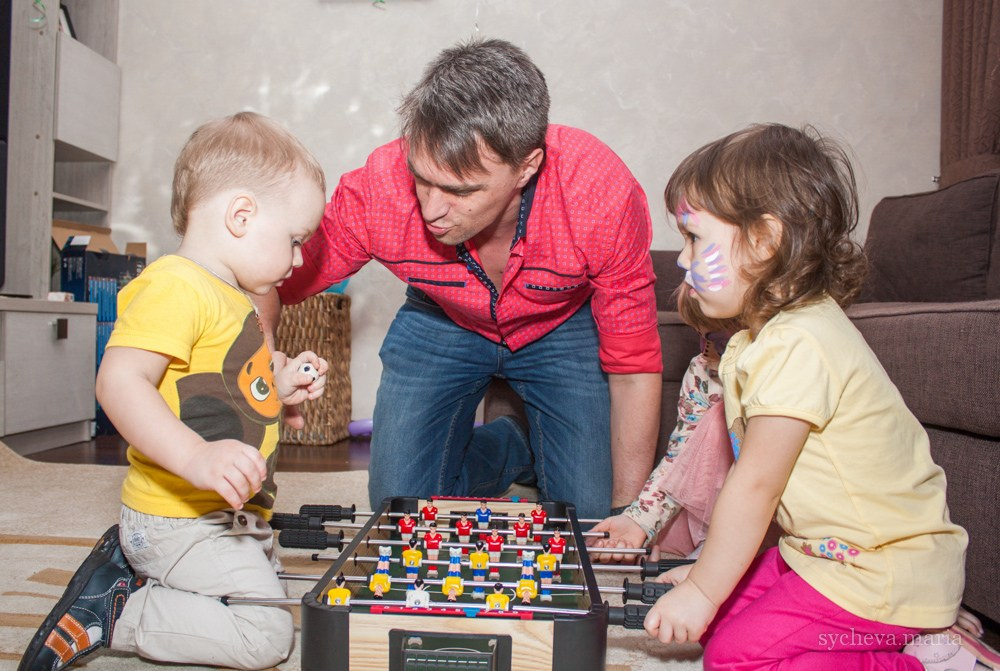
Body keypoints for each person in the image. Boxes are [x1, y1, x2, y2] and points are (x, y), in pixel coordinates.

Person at [262, 38, 662, 521]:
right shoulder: (379, 189)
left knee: (590, 519)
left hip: (561, 325)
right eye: (422, 178)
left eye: (460, 190)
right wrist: (261, 371)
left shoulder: (601, 194)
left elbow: (634, 364)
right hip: (441, 320)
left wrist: (630, 514)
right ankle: (514, 443)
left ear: (527, 166)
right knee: (399, 512)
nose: (431, 209)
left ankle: (544, 455)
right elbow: (266, 279)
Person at [642, 123, 968, 669]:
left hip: (879, 573)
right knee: (719, 620)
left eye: (696, 238)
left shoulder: (799, 342)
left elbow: (758, 485)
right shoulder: (764, 337)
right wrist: (705, 579)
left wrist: (702, 587)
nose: (681, 258)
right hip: (818, 556)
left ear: (766, 241)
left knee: (734, 656)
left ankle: (918, 661)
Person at [19, 111, 330, 671]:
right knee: (266, 636)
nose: (299, 258)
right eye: (294, 239)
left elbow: (233, 383)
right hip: (176, 519)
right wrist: (194, 454)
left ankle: (144, 578)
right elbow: (119, 380)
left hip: (229, 513)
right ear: (241, 215)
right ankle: (120, 613)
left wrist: (280, 386)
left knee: (270, 579)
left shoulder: (233, 295)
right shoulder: (175, 286)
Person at [588, 298, 740, 562]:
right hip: (712, 500)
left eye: (722, 342)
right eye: (703, 339)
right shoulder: (702, 369)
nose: (709, 352)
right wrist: (638, 520)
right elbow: (680, 457)